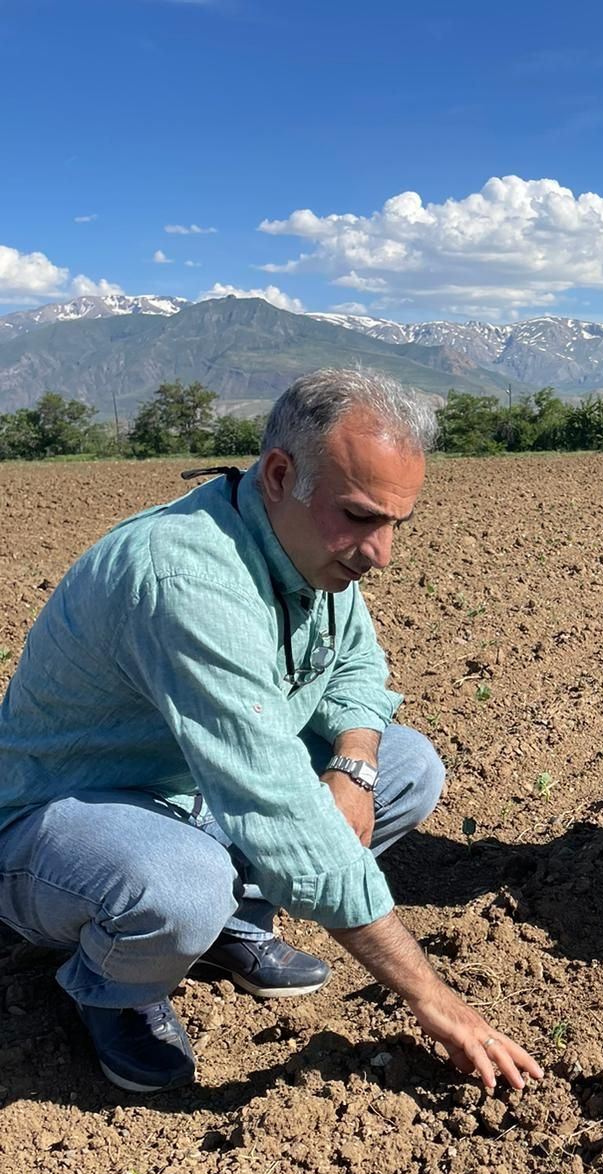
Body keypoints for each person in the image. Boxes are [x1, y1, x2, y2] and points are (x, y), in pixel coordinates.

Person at [0, 368, 542, 1094]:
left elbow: (357, 666)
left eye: (394, 525)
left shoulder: (311, 555)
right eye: (359, 517)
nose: (380, 553)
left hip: (193, 797)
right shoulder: (188, 582)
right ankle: (110, 986)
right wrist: (431, 998)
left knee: (406, 765)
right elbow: (277, 811)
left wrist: (352, 764)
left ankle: (233, 923)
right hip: (68, 819)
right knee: (180, 885)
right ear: (281, 475)